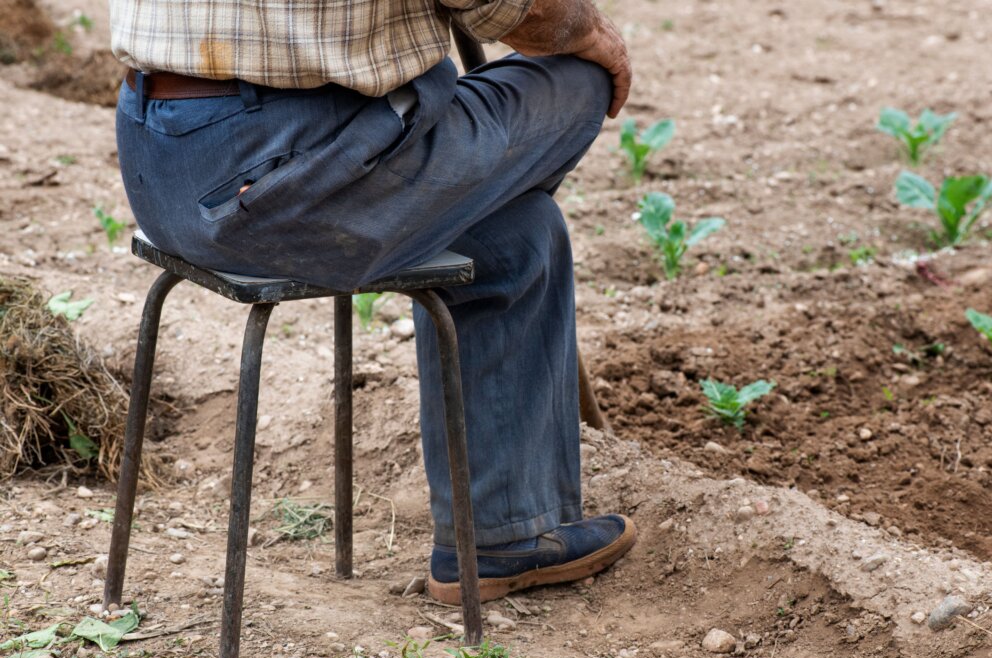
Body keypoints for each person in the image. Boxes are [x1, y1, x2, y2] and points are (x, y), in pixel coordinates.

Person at [109, 0, 637, 603]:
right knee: (577, 79)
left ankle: (497, 537)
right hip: (291, 175)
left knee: (520, 234)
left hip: (163, 166)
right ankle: (496, 529)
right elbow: (507, 10)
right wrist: (595, 32)